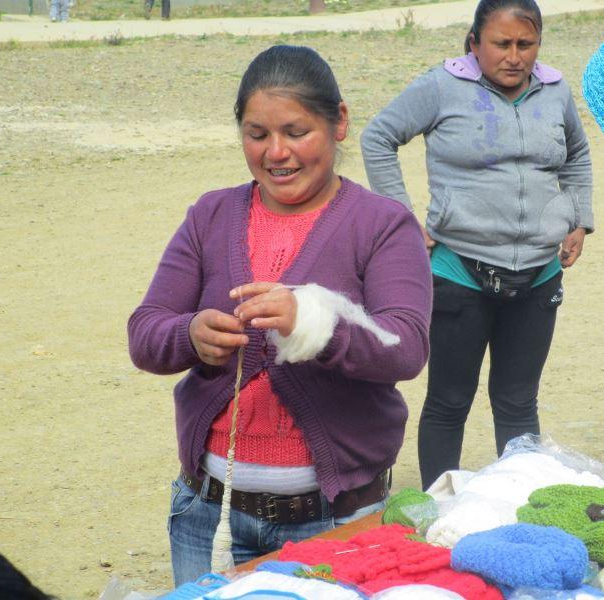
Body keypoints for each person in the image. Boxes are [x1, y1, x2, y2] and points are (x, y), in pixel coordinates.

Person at [128, 45, 432, 585]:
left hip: (336, 523)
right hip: (208, 518)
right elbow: (145, 329)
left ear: (338, 122)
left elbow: (405, 347)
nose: (276, 152)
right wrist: (190, 335)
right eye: (256, 133)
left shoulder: (382, 225)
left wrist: (310, 322)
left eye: (296, 131)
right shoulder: (211, 215)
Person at [361, 0, 593, 490]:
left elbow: (576, 155)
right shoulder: (442, 87)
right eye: (501, 44)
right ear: (474, 44)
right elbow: (378, 137)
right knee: (449, 401)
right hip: (459, 271)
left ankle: (520, 507)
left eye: (525, 44)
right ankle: (439, 513)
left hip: (539, 272)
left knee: (517, 400)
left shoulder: (555, 91)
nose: (514, 56)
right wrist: (403, 221)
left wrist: (578, 219)